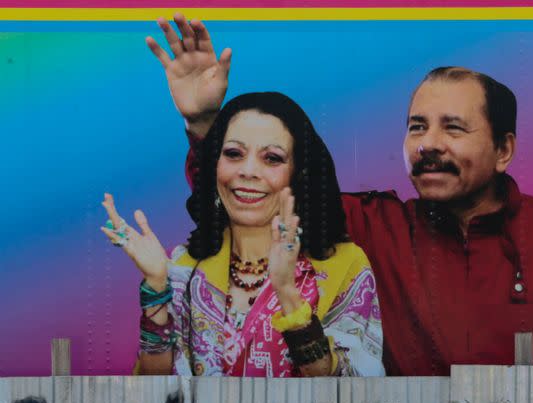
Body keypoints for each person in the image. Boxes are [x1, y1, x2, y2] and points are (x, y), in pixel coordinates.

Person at [148, 14, 533, 376]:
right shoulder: (376, 228)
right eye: (417, 127)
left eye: (452, 128)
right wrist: (204, 125)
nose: (429, 144)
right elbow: (257, 195)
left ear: (503, 149)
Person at [101, 91, 384, 377]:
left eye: (272, 158)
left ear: (299, 174)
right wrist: (156, 288)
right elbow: (154, 394)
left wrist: (287, 293)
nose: (248, 171)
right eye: (234, 154)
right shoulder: (184, 268)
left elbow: (354, 394)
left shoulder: (343, 265)